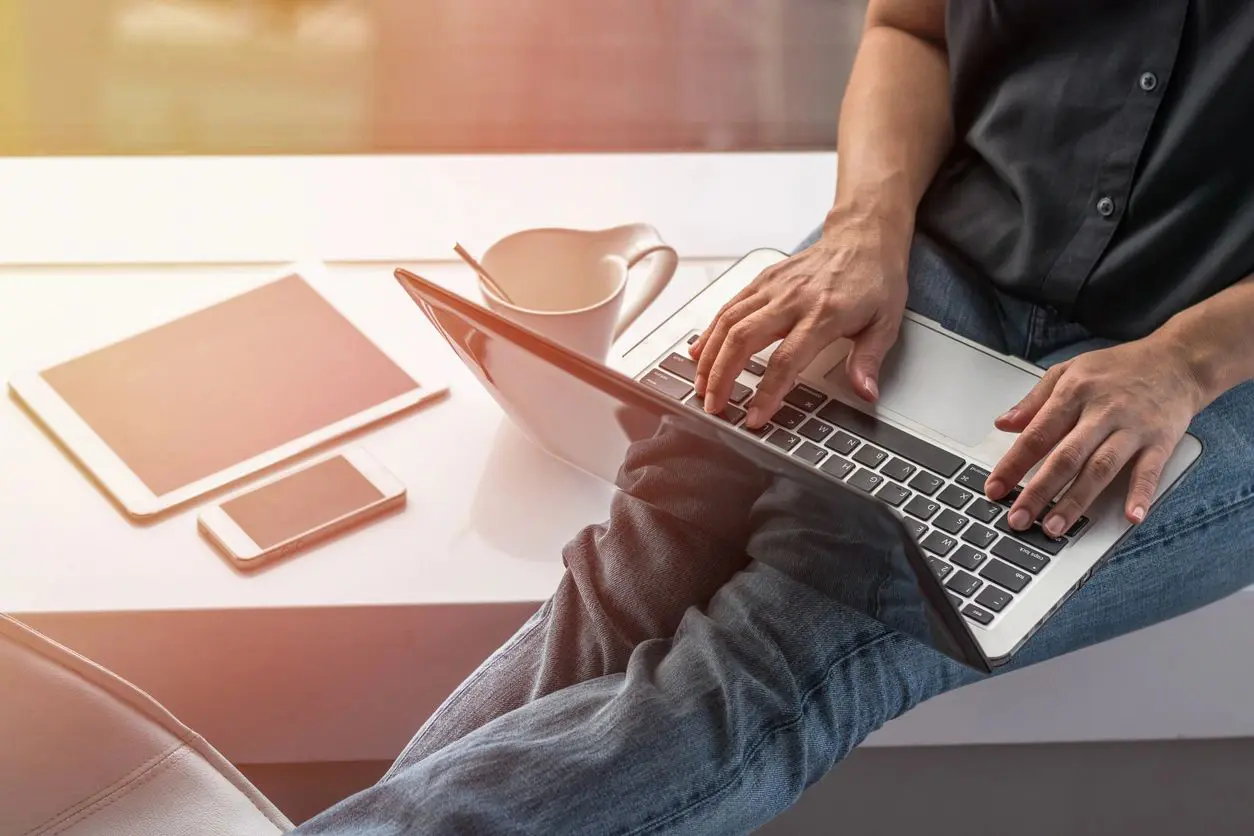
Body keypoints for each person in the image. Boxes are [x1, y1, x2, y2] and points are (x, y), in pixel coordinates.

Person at [300, 0, 1254, 832]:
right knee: (656, 543)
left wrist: (1184, 360)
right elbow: (909, 26)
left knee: (800, 641)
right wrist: (862, 226)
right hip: (950, 251)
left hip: (1221, 369)